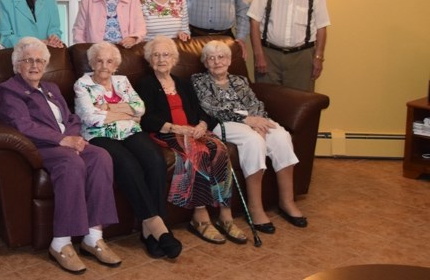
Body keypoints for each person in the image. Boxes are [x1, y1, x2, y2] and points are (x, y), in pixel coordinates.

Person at [0, 37, 121, 274]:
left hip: (67, 142)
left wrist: (74, 139)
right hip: (39, 147)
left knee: (101, 156)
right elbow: (22, 125)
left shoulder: (51, 88)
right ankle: (60, 242)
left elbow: (71, 118)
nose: (35, 65)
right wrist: (62, 140)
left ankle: (93, 237)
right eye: (28, 60)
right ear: (17, 64)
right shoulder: (9, 90)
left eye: (40, 61)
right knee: (71, 162)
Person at [73, 42, 182, 259]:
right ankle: (158, 227)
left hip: (130, 131)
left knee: (155, 161)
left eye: (110, 61)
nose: (104, 65)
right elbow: (91, 118)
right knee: (127, 164)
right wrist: (125, 111)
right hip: (99, 135)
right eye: (99, 61)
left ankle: (148, 233)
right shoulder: (82, 84)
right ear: (92, 63)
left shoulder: (122, 81)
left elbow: (140, 109)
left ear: (116, 65)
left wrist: (109, 109)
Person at [136, 35, 247, 246]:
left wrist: (202, 126)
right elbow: (146, 117)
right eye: (156, 55)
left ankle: (225, 215)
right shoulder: (145, 84)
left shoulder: (181, 82)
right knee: (199, 152)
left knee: (220, 148)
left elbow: (201, 112)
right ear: (150, 59)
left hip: (191, 131)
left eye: (166, 54)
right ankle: (200, 217)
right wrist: (178, 129)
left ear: (174, 58)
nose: (161, 59)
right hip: (166, 132)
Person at [192, 40, 306, 233]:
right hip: (223, 123)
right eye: (211, 58)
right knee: (254, 141)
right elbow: (211, 108)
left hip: (251, 120)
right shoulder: (199, 80)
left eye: (222, 57)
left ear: (229, 60)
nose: (217, 62)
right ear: (205, 62)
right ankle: (255, 208)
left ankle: (287, 201)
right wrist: (247, 121)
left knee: (280, 136)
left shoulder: (240, 81)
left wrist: (259, 120)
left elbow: (255, 103)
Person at [248, 0, 330, 92]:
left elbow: (321, 26)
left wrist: (318, 57)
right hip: (269, 56)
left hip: (302, 57)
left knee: (300, 104)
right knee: (268, 104)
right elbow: (254, 22)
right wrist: (259, 55)